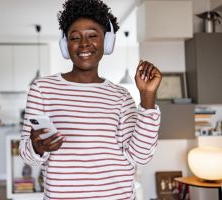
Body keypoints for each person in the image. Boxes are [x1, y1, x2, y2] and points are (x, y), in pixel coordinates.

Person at [19, 0, 162, 199]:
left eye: (93, 35)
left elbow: (141, 156)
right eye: (75, 37)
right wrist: (37, 147)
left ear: (107, 41)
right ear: (65, 44)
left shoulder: (121, 96)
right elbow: (27, 155)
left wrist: (147, 96)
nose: (84, 44)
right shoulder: (42, 90)